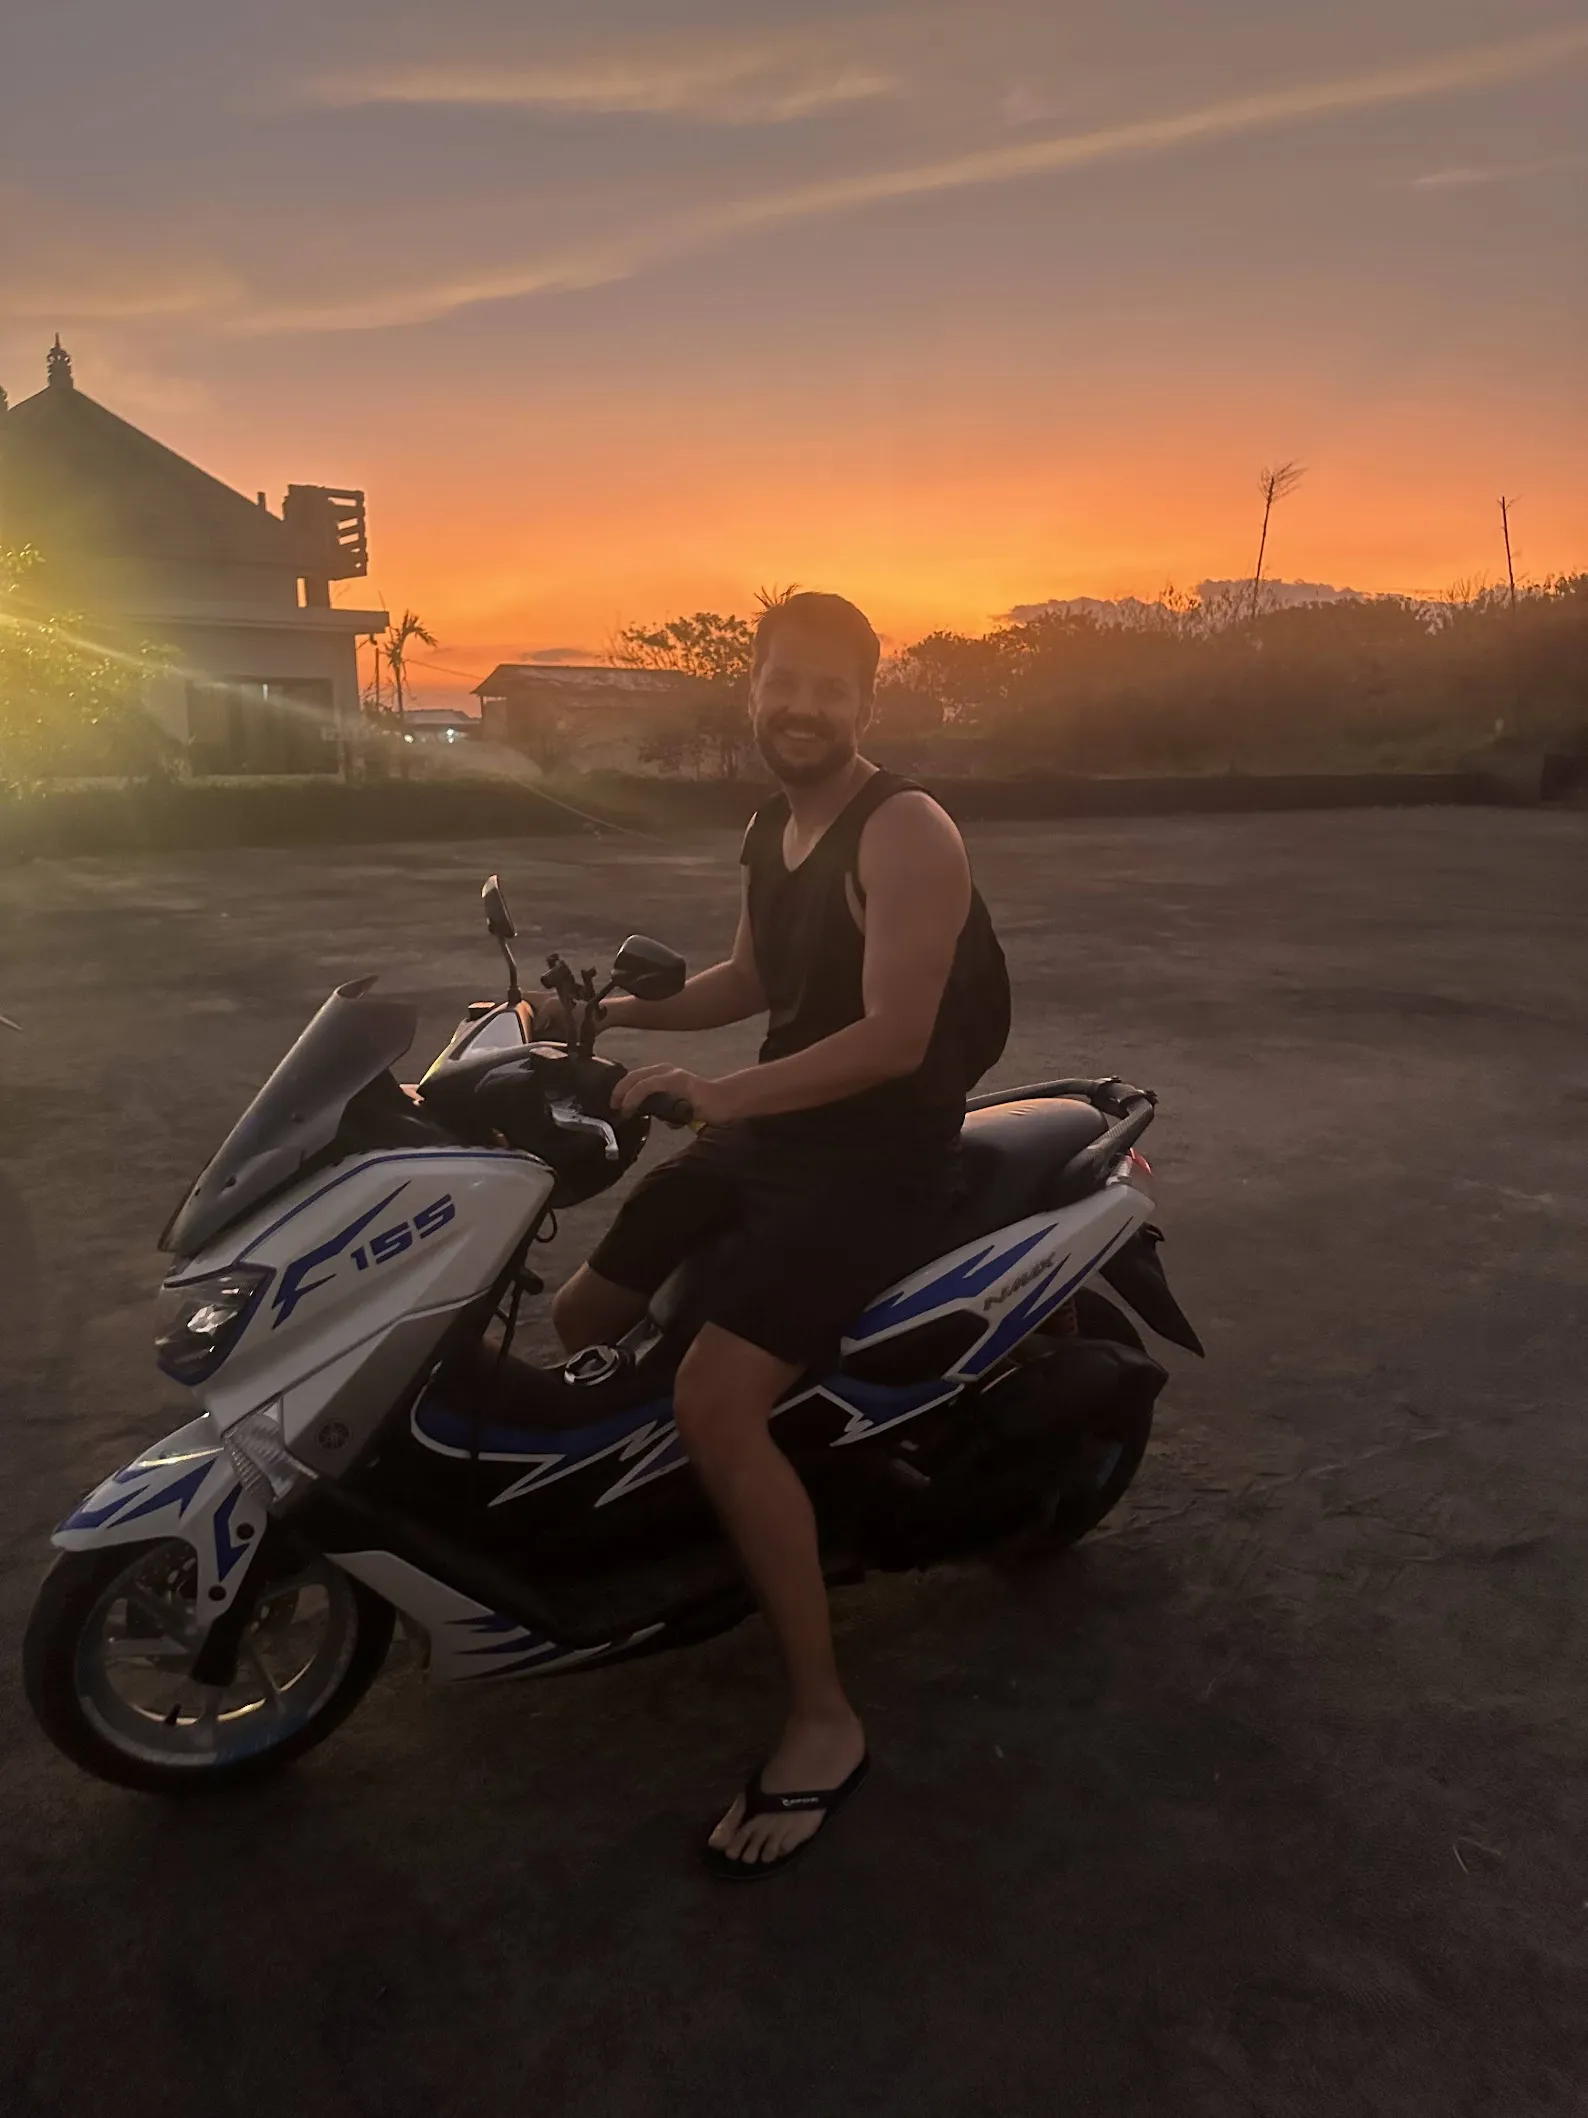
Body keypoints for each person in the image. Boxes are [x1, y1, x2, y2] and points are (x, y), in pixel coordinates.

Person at [549, 591, 1008, 1876]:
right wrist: (590, 1024)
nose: (800, 707)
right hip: (775, 1135)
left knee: (713, 1398)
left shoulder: (906, 827)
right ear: (749, 689)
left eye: (829, 687)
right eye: (779, 682)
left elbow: (895, 1036)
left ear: (866, 702)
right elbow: (751, 984)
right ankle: (663, 1535)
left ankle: (821, 1716)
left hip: (878, 1158)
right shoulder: (775, 822)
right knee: (582, 1314)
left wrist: (732, 1093)